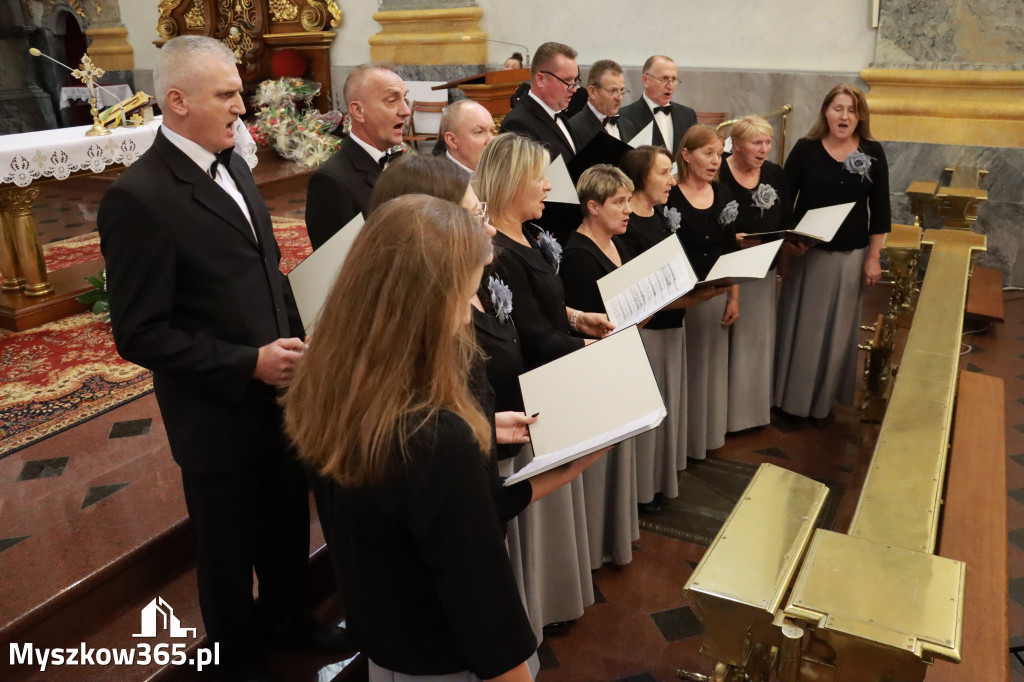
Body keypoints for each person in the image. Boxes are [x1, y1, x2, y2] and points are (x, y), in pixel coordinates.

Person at [97, 35, 347, 681]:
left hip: (281, 392)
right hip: (217, 412)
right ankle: (238, 657)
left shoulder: (232, 163)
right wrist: (248, 363)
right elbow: (140, 333)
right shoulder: (140, 196)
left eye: (239, 90)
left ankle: (289, 619)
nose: (244, 103)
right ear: (176, 101)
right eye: (228, 93)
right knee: (229, 549)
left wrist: (300, 335)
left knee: (287, 523)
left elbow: (266, 271)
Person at [474, 132, 613, 638]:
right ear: (512, 183)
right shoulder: (499, 253)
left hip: (550, 381)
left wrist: (577, 321)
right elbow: (526, 335)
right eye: (538, 176)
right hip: (528, 393)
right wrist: (590, 355)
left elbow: (545, 311)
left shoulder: (528, 235)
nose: (548, 185)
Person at [774, 84, 890, 424]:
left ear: (860, 117)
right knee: (803, 329)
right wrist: (785, 248)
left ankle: (821, 404)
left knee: (837, 332)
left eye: (852, 110)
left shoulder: (872, 152)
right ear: (826, 112)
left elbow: (880, 209)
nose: (844, 116)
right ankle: (788, 401)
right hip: (808, 254)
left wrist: (873, 257)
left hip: (850, 255)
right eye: (838, 108)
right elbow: (783, 201)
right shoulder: (805, 149)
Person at [558, 164, 639, 566]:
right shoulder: (577, 255)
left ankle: (612, 539)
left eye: (628, 200)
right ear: (592, 206)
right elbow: (578, 323)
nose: (629, 209)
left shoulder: (613, 242)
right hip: (597, 367)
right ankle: (592, 549)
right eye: (619, 202)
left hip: (619, 359)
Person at [618, 145, 700, 508]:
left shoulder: (663, 214)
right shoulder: (625, 224)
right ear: (641, 177)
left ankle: (658, 481)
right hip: (645, 333)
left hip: (672, 324)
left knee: (666, 406)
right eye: (665, 172)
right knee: (645, 411)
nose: (673, 180)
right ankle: (639, 490)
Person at [667, 125, 740, 461]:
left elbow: (730, 249)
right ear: (686, 155)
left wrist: (734, 296)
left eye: (720, 154)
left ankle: (704, 438)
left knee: (708, 371)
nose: (716, 161)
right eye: (708, 153)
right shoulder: (671, 195)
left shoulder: (723, 194)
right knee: (685, 374)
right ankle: (680, 445)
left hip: (714, 297)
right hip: (681, 301)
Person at [718, 115, 794, 433]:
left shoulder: (774, 173)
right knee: (723, 345)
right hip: (726, 271)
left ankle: (749, 414)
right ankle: (720, 415)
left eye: (767, 143)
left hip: (762, 271)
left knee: (755, 344)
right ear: (736, 144)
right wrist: (731, 238)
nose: (763, 150)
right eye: (756, 143)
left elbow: (786, 216)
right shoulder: (719, 171)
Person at [305, 64, 410, 250]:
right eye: (392, 101)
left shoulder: (402, 163)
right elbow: (338, 263)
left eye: (405, 99)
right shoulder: (331, 181)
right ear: (358, 111)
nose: (405, 111)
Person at [499, 41, 581, 164]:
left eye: (575, 80)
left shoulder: (559, 115)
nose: (574, 89)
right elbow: (522, 179)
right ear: (541, 79)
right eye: (567, 81)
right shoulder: (517, 124)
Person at [619, 55, 697, 155]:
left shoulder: (688, 115)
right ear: (646, 80)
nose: (670, 86)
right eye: (664, 79)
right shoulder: (625, 116)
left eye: (673, 79)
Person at [568, 59, 637, 147]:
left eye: (622, 90)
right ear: (592, 92)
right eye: (613, 91)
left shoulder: (628, 125)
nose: (620, 97)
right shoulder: (574, 128)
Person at [430, 99, 496, 172]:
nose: (491, 140)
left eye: (492, 131)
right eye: (479, 132)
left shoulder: (501, 171)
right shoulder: (434, 179)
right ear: (452, 140)